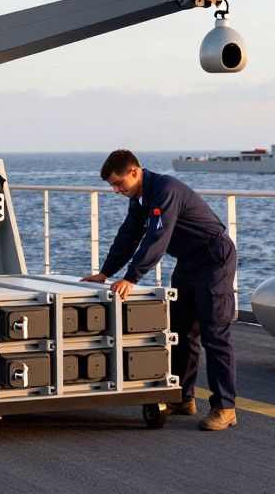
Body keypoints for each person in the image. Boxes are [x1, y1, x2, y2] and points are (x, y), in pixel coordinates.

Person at [80, 149, 238, 431]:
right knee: (180, 331)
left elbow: (157, 237)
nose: (116, 191)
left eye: (118, 184)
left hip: (214, 257)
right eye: (112, 186)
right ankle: (183, 398)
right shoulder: (141, 198)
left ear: (134, 172)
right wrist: (105, 273)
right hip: (189, 261)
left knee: (214, 333)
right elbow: (129, 234)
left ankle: (225, 407)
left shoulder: (166, 191)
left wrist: (132, 277)